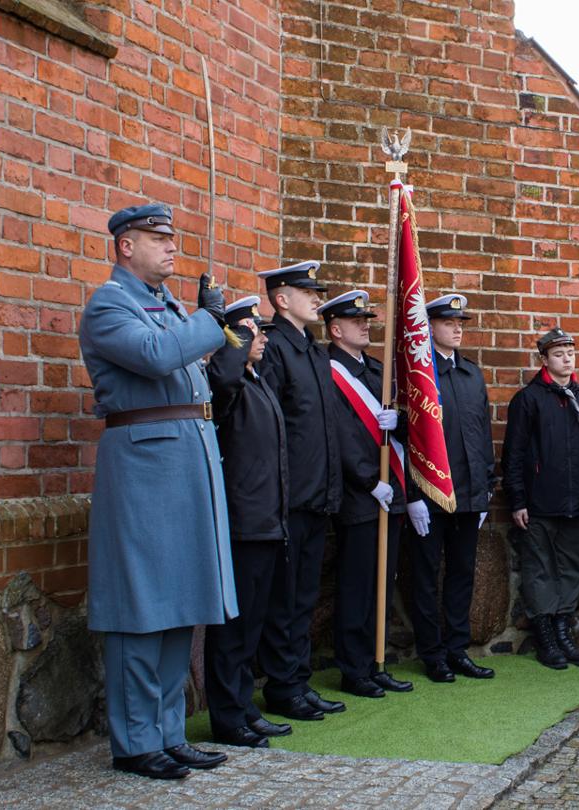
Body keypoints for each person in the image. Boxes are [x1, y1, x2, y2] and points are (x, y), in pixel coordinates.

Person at [79, 203, 232, 778]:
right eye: (157, 238)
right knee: (141, 606)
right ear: (126, 246)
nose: (171, 247)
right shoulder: (109, 304)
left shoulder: (166, 304)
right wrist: (207, 320)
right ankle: (136, 742)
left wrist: (205, 322)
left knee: (179, 604)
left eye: (172, 238)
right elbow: (155, 355)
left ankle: (169, 732)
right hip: (144, 466)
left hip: (184, 464)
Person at [255, 260, 348, 723]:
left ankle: (298, 680)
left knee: (304, 597)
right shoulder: (275, 348)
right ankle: (282, 686)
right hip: (290, 497)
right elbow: (269, 425)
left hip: (318, 494)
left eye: (317, 292)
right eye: (307, 292)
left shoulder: (312, 350)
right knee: (285, 599)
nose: (316, 299)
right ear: (281, 299)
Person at [203, 297, 296, 750]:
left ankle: (243, 707)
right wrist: (233, 341)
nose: (259, 338)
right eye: (248, 330)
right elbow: (221, 377)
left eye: (258, 330)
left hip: (267, 520)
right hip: (243, 522)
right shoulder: (229, 382)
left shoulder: (258, 382)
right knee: (233, 629)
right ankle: (227, 717)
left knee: (252, 625)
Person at [320, 290, 414, 699]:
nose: (364, 326)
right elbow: (338, 436)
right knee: (358, 586)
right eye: (355, 321)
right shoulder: (330, 373)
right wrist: (367, 481)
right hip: (359, 496)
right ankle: (353, 669)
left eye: (366, 320)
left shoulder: (376, 370)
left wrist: (400, 422)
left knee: (382, 582)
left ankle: (377, 662)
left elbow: (402, 430)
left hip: (389, 492)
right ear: (335, 329)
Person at [403, 293, 498, 681]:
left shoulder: (471, 374)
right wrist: (412, 495)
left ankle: (457, 649)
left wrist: (486, 489)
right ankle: (432, 654)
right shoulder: (419, 375)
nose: (457, 329)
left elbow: (482, 434)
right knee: (425, 578)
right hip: (430, 494)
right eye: (449, 323)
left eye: (460, 323)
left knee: (462, 575)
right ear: (429, 327)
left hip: (468, 494)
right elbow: (407, 440)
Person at [503, 328, 579, 669]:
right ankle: (545, 636)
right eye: (558, 354)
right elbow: (514, 454)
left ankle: (562, 631)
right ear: (544, 359)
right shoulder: (528, 400)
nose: (566, 359)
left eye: (570, 353)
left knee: (570, 567)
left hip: (574, 503)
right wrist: (518, 500)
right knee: (540, 569)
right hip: (539, 502)